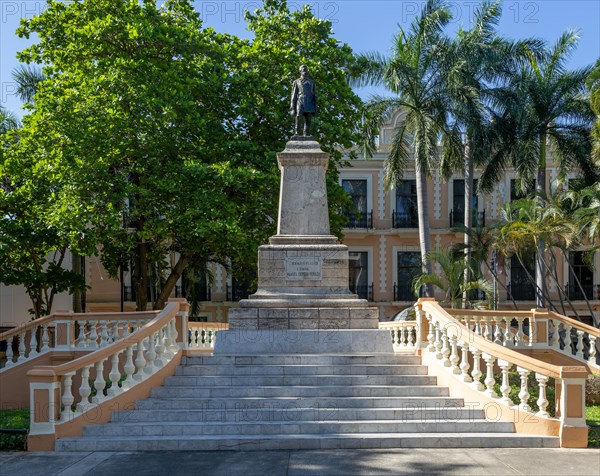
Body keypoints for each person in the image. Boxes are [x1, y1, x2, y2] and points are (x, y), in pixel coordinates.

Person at [290, 65, 317, 136]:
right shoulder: (296, 82)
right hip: (300, 101)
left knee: (308, 118)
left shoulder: (312, 82)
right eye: (304, 70)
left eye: (306, 70)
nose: (305, 71)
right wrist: (292, 108)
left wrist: (315, 106)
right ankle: (297, 132)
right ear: (300, 71)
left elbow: (314, 94)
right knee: (298, 116)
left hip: (310, 102)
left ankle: (306, 133)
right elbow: (293, 95)